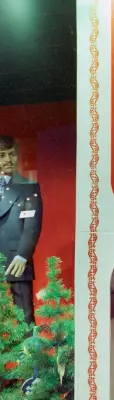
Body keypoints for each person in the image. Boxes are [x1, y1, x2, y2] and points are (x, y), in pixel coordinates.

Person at [0, 135, 43, 325]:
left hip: (16, 259)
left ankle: (28, 346)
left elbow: (32, 225)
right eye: (2, 155)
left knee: (24, 314)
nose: (8, 160)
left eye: (12, 154)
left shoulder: (28, 187)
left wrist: (22, 255)